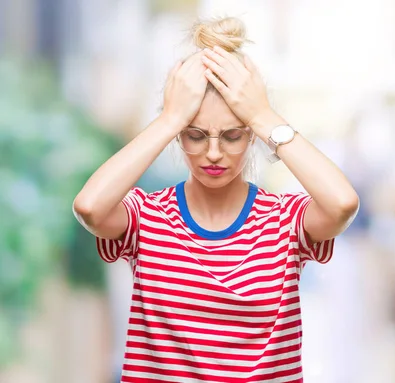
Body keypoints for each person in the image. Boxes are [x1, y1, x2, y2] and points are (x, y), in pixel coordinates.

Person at [72, 16, 359, 383]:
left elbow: (342, 204)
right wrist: (169, 118)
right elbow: (90, 207)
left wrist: (262, 114)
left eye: (231, 136)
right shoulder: (148, 216)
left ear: (252, 136)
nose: (212, 153)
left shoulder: (284, 220)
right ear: (178, 136)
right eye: (194, 135)